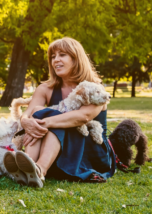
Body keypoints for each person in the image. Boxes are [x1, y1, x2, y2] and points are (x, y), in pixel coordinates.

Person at [7, 37, 116, 187]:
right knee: (38, 113)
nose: (56, 60)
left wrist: (43, 122)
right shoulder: (45, 89)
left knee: (52, 117)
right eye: (53, 56)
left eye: (62, 55)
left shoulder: (95, 89)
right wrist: (26, 121)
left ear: (76, 59)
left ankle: (39, 170)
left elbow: (82, 117)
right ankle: (29, 165)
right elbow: (30, 112)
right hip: (58, 149)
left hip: (90, 151)